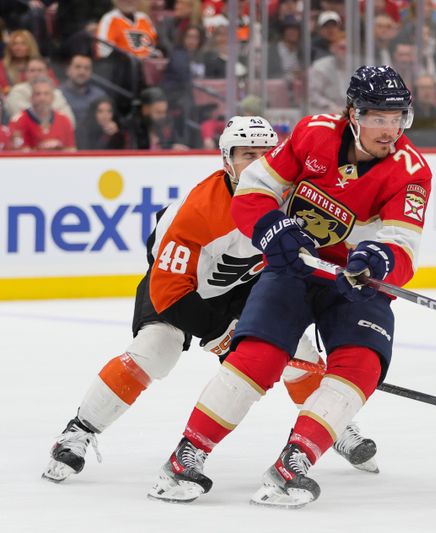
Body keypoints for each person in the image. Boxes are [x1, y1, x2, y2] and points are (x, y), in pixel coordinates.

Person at [148, 65, 431, 508]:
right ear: (352, 113)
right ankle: (187, 456)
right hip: (294, 269)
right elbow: (255, 189)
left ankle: (293, 462)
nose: (389, 129)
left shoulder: (411, 171)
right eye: (378, 116)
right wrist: (271, 228)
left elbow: (403, 246)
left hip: (353, 282)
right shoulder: (313, 134)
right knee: (258, 356)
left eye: (398, 118)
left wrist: (378, 261)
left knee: (362, 363)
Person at [42, 116, 379, 483]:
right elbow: (168, 288)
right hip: (181, 290)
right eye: (246, 154)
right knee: (157, 347)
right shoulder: (197, 210)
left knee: (297, 352)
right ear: (225, 160)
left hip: (244, 287)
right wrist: (216, 329)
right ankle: (79, 430)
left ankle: (334, 428)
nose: (257, 163)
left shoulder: (292, 201)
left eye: (266, 154)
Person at [9, 76, 76, 152]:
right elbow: (18, 155)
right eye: (38, 94)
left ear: (53, 97)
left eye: (46, 94)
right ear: (31, 98)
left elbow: (71, 150)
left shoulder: (64, 120)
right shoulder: (18, 121)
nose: (42, 98)